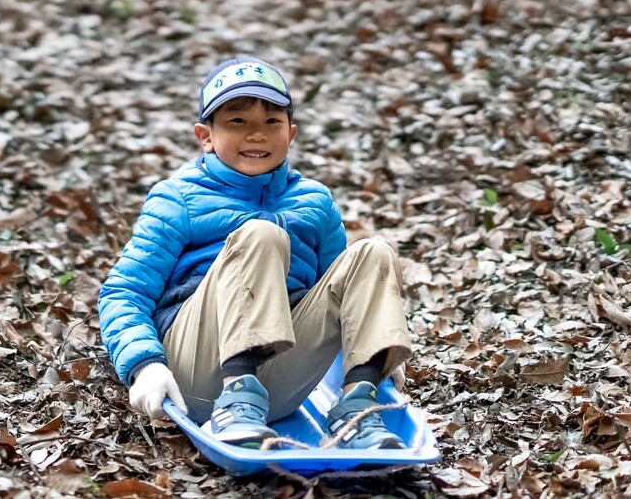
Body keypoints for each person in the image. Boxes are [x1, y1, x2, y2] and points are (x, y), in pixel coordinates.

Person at [97, 57, 413, 449]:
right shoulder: (177, 198)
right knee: (261, 235)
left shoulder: (314, 201)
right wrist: (144, 365)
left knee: (374, 253)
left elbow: (344, 294)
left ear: (291, 133)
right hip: (198, 375)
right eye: (238, 122)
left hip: (282, 383)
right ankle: (236, 396)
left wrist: (371, 350)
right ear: (205, 136)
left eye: (271, 122)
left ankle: (358, 405)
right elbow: (124, 292)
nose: (257, 135)